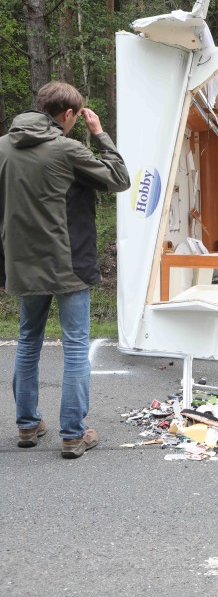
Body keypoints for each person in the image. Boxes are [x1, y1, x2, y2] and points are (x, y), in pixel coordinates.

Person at [0, 81, 131, 458]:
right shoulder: (66, 147)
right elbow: (118, 179)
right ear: (70, 114)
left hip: (23, 262)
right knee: (75, 347)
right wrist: (100, 134)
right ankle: (73, 433)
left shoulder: (4, 148)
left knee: (28, 342)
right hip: (68, 262)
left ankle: (27, 425)